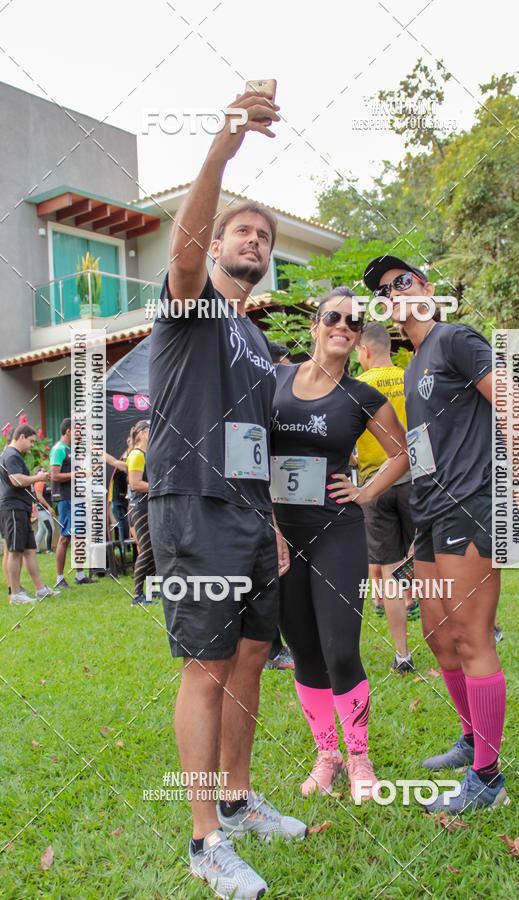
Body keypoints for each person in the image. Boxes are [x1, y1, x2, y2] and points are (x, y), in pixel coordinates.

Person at [146, 87, 306, 899]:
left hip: (248, 516)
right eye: (243, 231)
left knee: (249, 659)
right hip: (191, 506)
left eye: (265, 237)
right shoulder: (193, 306)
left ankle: (238, 803)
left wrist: (273, 523)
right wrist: (221, 148)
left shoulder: (254, 338)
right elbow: (182, 253)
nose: (255, 240)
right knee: (206, 667)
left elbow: (259, 441)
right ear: (215, 247)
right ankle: (204, 838)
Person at [364, 254, 510, 813]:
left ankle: (488, 780)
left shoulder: (454, 338)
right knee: (438, 638)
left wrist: (509, 492)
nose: (394, 293)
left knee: (472, 639)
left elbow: (511, 403)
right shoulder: (413, 366)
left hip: (470, 505)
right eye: (383, 291)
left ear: (426, 288)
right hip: (428, 513)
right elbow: (419, 448)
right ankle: (473, 740)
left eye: (402, 281)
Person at [271, 286, 409, 801]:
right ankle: (326, 754)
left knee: (340, 649)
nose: (344, 327)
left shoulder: (362, 396)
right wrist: (266, 521)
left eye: (353, 322)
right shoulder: (275, 381)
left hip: (337, 531)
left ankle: (358, 757)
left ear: (357, 338)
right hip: (281, 534)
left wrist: (366, 491)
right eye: (334, 317)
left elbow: (404, 453)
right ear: (315, 324)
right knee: (304, 650)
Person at [356, 323, 416, 673]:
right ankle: (452, 643)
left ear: (364, 350)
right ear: (389, 348)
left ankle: (403, 655)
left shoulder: (354, 387)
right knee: (431, 564)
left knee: (390, 571)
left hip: (374, 487)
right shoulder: (410, 379)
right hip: (415, 480)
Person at [0, 424, 59, 604]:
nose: (32, 445)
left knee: (30, 551)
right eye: (31, 441)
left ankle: (40, 589)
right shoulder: (11, 455)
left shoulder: (13, 455)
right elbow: (16, 480)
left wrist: (30, 501)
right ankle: (15, 594)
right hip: (13, 508)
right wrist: (38, 478)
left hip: (21, 507)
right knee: (14, 551)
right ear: (21, 437)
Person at [264, 341, 295, 671]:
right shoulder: (259, 400)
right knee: (270, 574)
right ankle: (272, 648)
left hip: (291, 500)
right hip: (264, 503)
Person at [49, 418, 96, 589]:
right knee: (65, 537)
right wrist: (78, 474)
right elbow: (54, 475)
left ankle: (80, 575)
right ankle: (60, 578)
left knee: (79, 536)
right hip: (66, 499)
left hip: (76, 498)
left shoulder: (70, 450)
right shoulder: (58, 449)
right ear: (69, 431)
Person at [127, 421, 155, 606]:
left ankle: (152, 592)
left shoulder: (145, 454)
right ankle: (137, 596)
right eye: (150, 430)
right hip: (140, 508)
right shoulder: (137, 454)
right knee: (146, 550)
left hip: (147, 506)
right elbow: (135, 483)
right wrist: (159, 488)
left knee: (153, 550)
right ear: (143, 433)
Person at [34, 466, 55, 553]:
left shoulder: (44, 483)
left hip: (43, 510)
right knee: (50, 529)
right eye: (43, 471)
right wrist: (49, 507)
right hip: (42, 510)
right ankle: (48, 550)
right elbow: (39, 496)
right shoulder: (39, 483)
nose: (45, 473)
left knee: (41, 530)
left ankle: (37, 549)